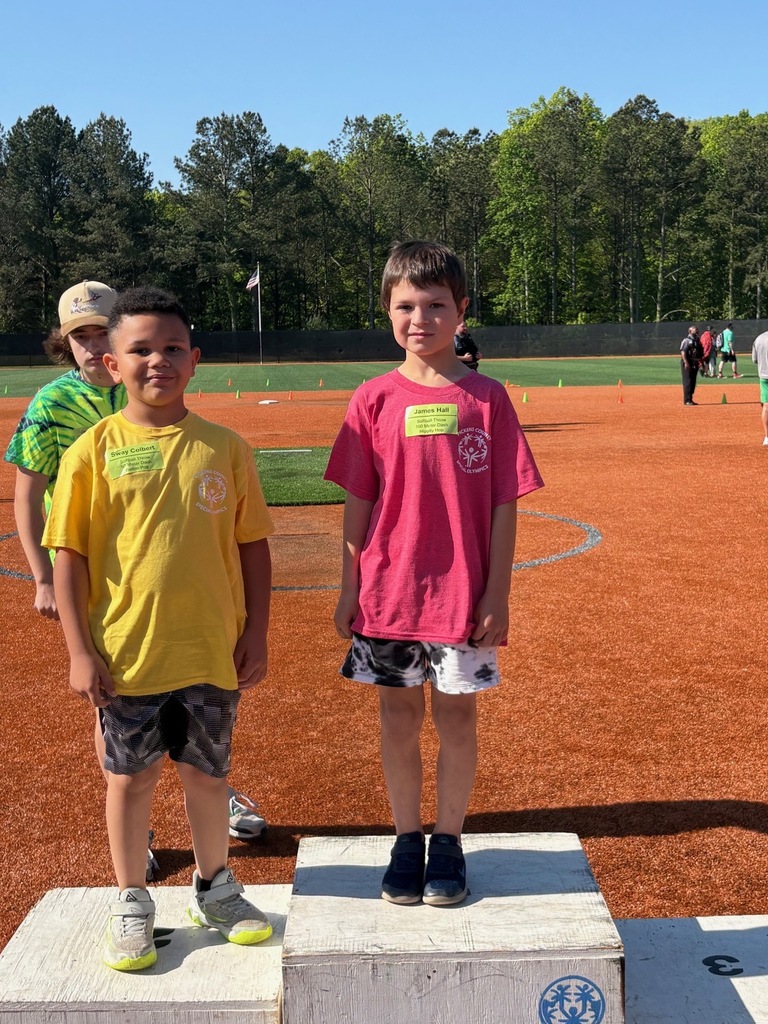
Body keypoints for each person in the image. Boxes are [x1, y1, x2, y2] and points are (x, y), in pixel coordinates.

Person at [43, 286, 274, 971]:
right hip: (126, 655)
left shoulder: (224, 448)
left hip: (208, 648)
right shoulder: (90, 451)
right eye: (139, 349)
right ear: (112, 365)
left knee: (207, 777)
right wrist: (79, 650)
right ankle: (131, 900)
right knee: (131, 781)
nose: (157, 361)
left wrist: (257, 632)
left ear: (194, 360)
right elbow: (70, 555)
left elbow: (253, 546)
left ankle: (214, 887)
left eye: (172, 348)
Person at [325, 241, 543, 907]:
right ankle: (406, 837)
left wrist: (497, 590)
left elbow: (506, 500)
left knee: (456, 720)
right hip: (389, 595)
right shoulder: (371, 398)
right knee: (396, 716)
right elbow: (356, 504)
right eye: (406, 305)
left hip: (461, 598)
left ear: (463, 311)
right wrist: (348, 583)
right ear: (388, 311)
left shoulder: (488, 398)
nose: (421, 317)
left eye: (436, 305)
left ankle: (447, 839)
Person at [751, 329, 768, 445]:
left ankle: (767, 437)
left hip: (764, 375)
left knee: (766, 405)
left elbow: (754, 359)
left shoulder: (759, 338)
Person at [680, 325, 703, 405]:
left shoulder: (697, 340)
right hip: (688, 362)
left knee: (693, 382)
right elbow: (683, 352)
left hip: (695, 362)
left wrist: (700, 363)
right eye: (694, 329)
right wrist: (686, 362)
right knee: (688, 381)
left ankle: (690, 399)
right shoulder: (686, 340)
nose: (696, 330)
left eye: (697, 329)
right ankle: (687, 400)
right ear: (690, 331)